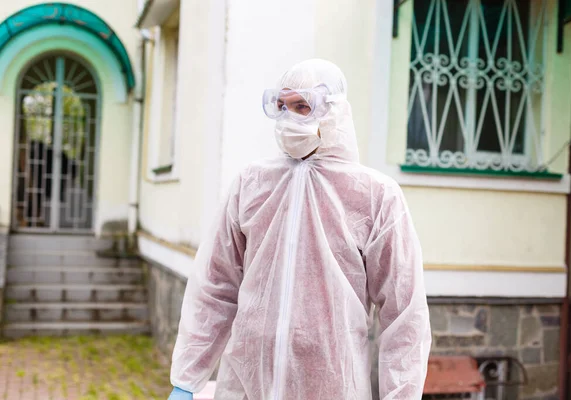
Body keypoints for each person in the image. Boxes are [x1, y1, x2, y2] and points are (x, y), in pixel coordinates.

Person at [168, 59, 431, 400]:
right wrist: (187, 379)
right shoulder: (253, 183)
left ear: (333, 111)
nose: (289, 118)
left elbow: (404, 312)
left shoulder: (374, 195)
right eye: (282, 106)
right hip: (248, 383)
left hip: (332, 384)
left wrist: (401, 395)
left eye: (302, 106)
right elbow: (216, 286)